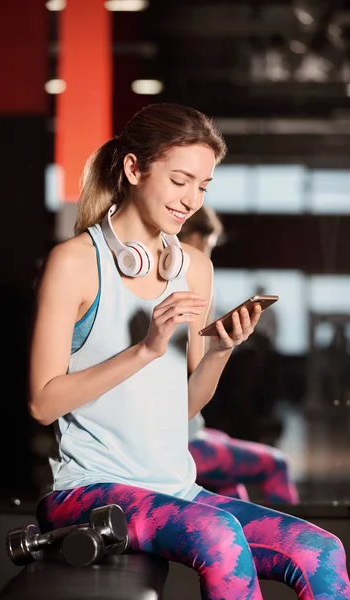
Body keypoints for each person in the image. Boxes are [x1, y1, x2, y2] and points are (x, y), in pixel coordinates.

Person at [30, 103, 350, 600]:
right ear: (134, 168)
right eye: (180, 180)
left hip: (175, 488)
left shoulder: (194, 268)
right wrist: (145, 350)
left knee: (323, 551)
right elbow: (43, 403)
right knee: (218, 536)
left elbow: (183, 407)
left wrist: (220, 350)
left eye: (202, 186)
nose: (191, 200)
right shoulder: (75, 264)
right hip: (88, 491)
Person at [179, 206, 298, 504]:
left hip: (188, 431)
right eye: (209, 247)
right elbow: (197, 364)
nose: (209, 256)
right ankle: (287, 540)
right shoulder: (192, 286)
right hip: (183, 440)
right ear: (195, 238)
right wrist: (222, 343)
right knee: (277, 465)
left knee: (231, 487)